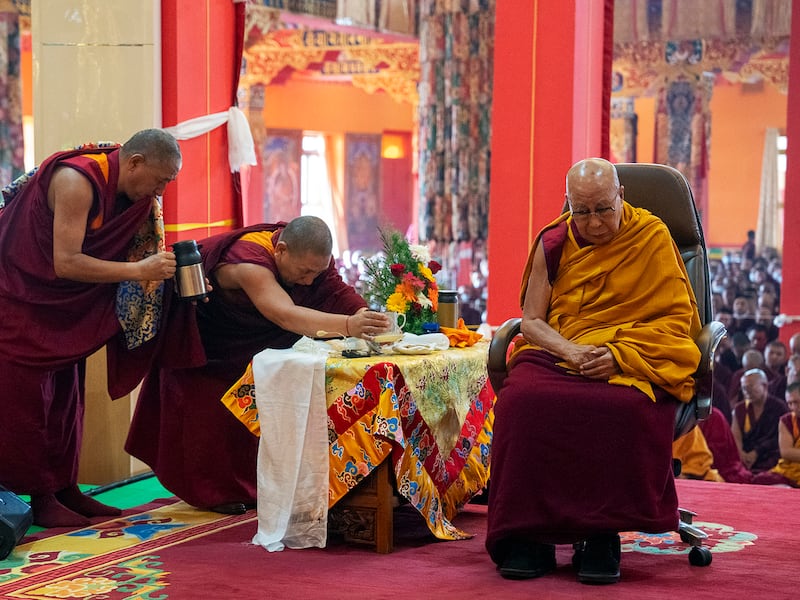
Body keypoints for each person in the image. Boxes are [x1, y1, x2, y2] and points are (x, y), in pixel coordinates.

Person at [485, 158, 701, 585]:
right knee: (521, 402)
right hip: (562, 349)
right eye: (582, 212)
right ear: (569, 206)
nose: (595, 223)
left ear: (621, 196)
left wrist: (619, 356)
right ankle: (529, 534)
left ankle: (601, 533)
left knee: (625, 407)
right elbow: (531, 322)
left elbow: (676, 323)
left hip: (631, 356)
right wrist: (572, 351)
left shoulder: (652, 237)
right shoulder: (555, 241)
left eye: (604, 208)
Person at [125, 215, 390, 514]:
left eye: (315, 272)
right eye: (304, 272)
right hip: (211, 344)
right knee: (208, 424)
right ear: (282, 250)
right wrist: (348, 325)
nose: (308, 281)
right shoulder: (249, 262)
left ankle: (252, 487)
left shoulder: (309, 259)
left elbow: (335, 291)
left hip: (254, 344)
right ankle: (212, 493)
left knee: (253, 421)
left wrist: (368, 317)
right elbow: (284, 314)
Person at [0, 129, 183, 527]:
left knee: (67, 399)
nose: (161, 191)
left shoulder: (127, 189)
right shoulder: (76, 182)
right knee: (27, 405)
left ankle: (66, 487)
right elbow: (66, 261)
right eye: (160, 179)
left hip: (65, 308)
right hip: (20, 298)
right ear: (134, 163)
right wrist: (138, 271)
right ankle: (38, 495)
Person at [731, 368, 787, 473]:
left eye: (750, 386)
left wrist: (756, 452)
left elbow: (779, 438)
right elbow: (735, 437)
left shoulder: (779, 407)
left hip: (769, 455)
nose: (747, 391)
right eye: (744, 388)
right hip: (745, 456)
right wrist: (742, 454)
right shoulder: (740, 409)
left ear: (765, 386)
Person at [752, 382, 800, 487]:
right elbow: (786, 452)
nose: (793, 407)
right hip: (789, 471)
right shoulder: (787, 420)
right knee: (760, 480)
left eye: (796, 402)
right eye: (790, 403)